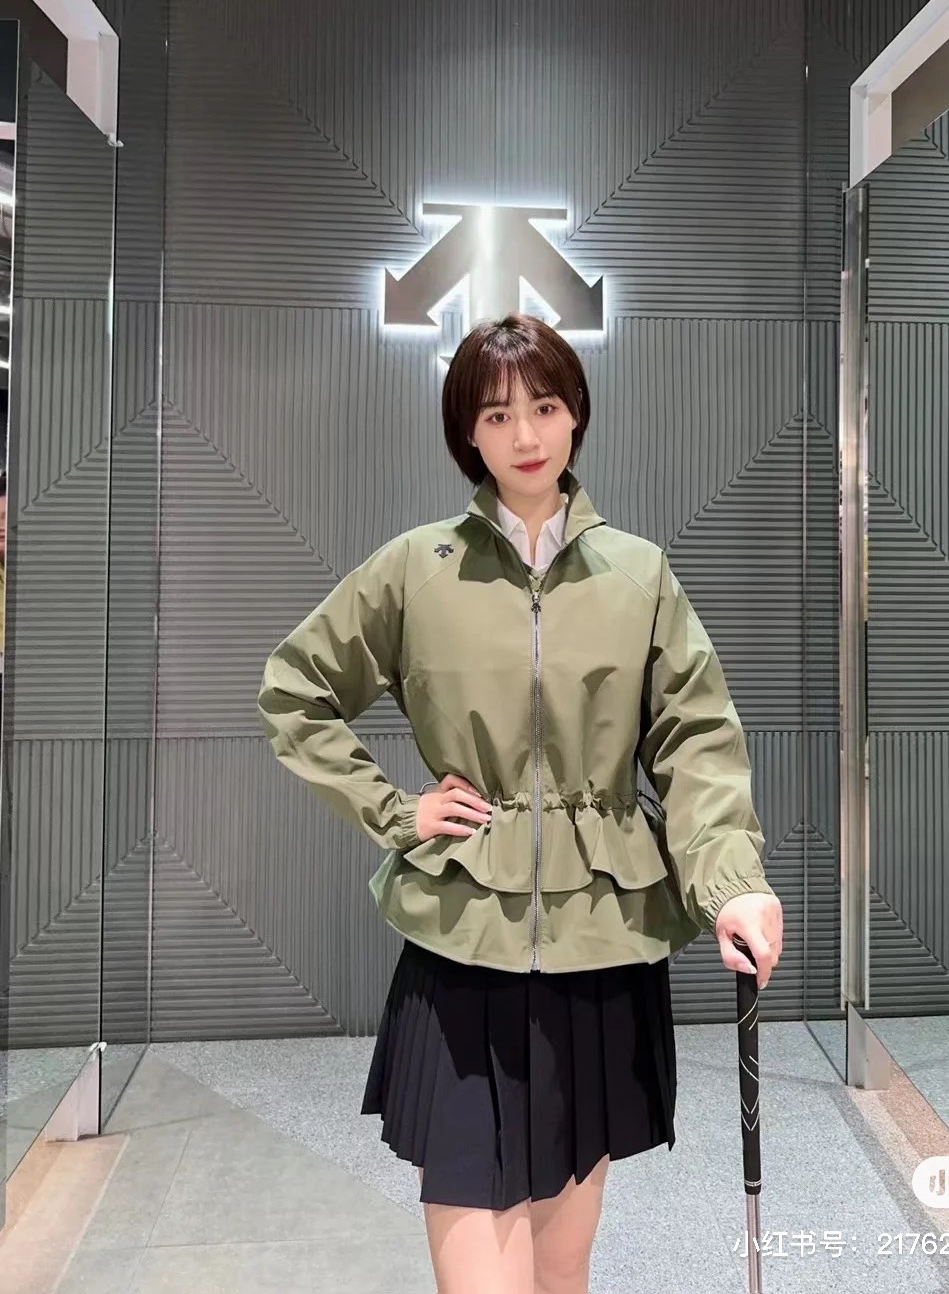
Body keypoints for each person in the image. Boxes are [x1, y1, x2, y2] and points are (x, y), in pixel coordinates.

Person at [258, 313, 784, 1294]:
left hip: (601, 951)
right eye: (497, 415)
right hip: (464, 949)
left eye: (544, 406)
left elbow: (697, 743)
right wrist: (396, 811)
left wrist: (734, 885)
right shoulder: (419, 568)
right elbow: (295, 689)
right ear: (468, 432)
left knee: (561, 1265)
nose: (526, 434)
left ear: (576, 411)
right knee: (479, 1269)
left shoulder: (639, 575)